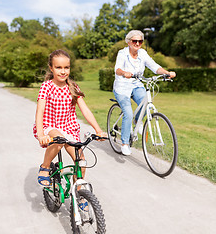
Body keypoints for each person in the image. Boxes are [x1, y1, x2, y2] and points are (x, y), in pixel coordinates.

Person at [33, 49, 105, 187]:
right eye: (58, 67)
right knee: (59, 140)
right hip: (51, 125)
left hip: (69, 127)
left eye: (66, 67)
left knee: (81, 163)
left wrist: (98, 129)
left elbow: (85, 110)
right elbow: (40, 111)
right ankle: (45, 167)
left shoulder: (72, 87)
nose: (63, 71)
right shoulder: (46, 87)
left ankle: (79, 194)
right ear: (51, 68)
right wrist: (41, 134)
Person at [113, 30, 176, 156]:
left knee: (145, 103)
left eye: (140, 41)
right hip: (122, 86)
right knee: (128, 113)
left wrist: (167, 73)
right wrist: (124, 73)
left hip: (136, 84)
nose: (137, 43)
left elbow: (154, 66)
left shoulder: (142, 53)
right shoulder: (123, 53)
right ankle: (125, 143)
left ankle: (138, 121)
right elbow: (117, 69)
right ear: (129, 42)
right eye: (134, 41)